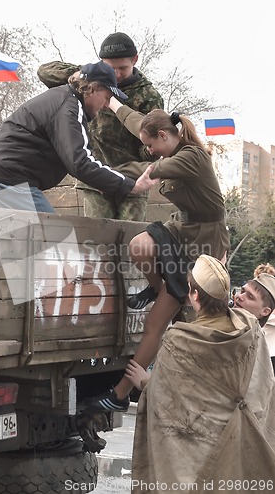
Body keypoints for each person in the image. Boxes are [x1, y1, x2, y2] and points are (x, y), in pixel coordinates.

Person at [83, 101, 229, 412]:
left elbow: (150, 170)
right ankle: (158, 287)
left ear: (163, 136)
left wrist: (88, 167)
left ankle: (120, 394)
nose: (148, 150)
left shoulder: (191, 157)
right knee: (140, 246)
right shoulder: (164, 137)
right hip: (183, 227)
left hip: (204, 242)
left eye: (150, 145)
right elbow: (137, 121)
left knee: (155, 323)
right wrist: (112, 102)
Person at [130, 254, 275, 493]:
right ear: (227, 295)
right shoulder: (252, 333)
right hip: (235, 452)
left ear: (194, 295)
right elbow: (263, 387)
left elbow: (167, 397)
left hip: (195, 454)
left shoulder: (180, 340)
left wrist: (144, 382)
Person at [0, 61, 154, 213]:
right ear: (93, 89)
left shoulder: (64, 98)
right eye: (107, 97)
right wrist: (131, 186)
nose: (106, 105)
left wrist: (102, 182)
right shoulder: (69, 107)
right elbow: (80, 163)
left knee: (15, 238)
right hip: (9, 181)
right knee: (52, 239)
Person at [37, 32, 164, 221]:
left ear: (135, 60)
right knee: (98, 238)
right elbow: (44, 71)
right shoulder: (90, 82)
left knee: (130, 239)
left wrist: (152, 150)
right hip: (96, 177)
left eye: (123, 68)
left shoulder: (148, 96)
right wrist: (86, 73)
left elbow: (149, 146)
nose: (117, 75)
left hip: (132, 177)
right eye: (111, 69)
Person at [235, 265, 275, 374]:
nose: (240, 296)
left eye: (250, 297)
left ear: (265, 311)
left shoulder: (263, 355)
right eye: (242, 291)